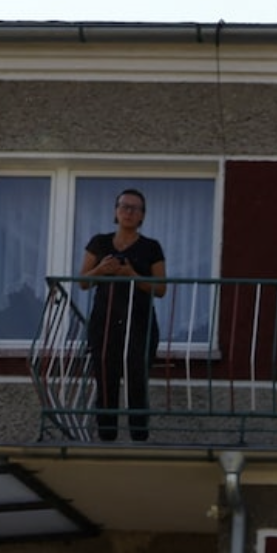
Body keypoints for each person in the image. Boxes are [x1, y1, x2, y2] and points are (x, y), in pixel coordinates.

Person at [80, 188, 167, 442]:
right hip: (104, 323)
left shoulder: (151, 247)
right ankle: (106, 439)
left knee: (136, 381)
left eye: (135, 208)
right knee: (105, 381)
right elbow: (82, 282)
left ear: (142, 216)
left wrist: (132, 276)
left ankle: (139, 439)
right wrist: (101, 270)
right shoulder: (100, 242)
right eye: (124, 206)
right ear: (115, 212)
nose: (129, 212)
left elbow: (161, 289)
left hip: (140, 324)